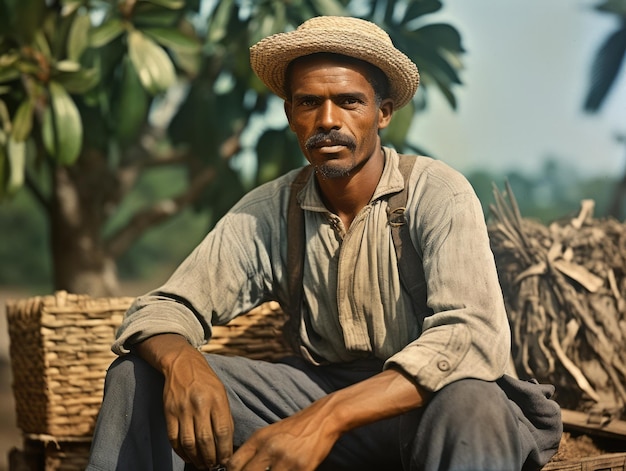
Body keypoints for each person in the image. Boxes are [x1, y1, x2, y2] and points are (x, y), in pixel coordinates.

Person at [87, 16, 562, 471]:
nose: (327, 119)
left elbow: (471, 339)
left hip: (428, 405)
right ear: (291, 115)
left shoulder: (437, 192)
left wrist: (325, 418)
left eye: (349, 102)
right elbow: (161, 309)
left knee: (472, 400)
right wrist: (182, 361)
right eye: (309, 102)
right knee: (139, 376)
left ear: (384, 113)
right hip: (316, 390)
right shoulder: (271, 210)